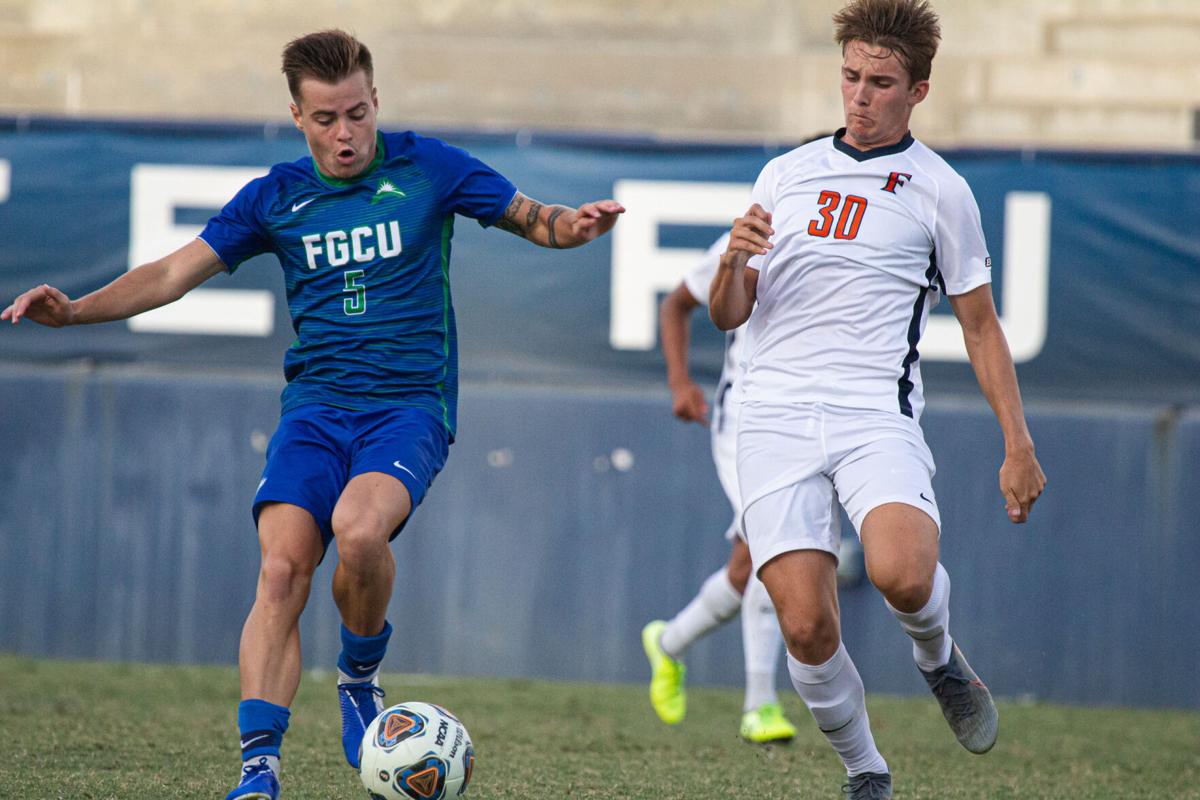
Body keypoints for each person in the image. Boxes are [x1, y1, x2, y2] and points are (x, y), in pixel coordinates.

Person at [2, 30, 623, 800]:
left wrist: (577, 228)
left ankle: (359, 677)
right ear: (297, 115)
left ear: (375, 102)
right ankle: (258, 770)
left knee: (361, 532)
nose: (346, 133)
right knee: (282, 567)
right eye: (326, 118)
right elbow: (172, 271)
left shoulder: (430, 166)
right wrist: (77, 313)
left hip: (407, 409)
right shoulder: (277, 196)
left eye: (357, 113)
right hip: (316, 412)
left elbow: (537, 218)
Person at [708, 1, 1046, 797]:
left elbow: (980, 326)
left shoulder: (940, 190)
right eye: (851, 77)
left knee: (901, 573)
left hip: (873, 415)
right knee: (803, 623)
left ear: (918, 92)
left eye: (881, 83)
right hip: (774, 416)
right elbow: (731, 312)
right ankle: (867, 771)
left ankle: (938, 660)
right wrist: (732, 262)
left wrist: (1018, 442)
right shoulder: (785, 175)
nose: (860, 97)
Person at [641, 233, 799, 745]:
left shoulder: (854, 241)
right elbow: (676, 305)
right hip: (744, 424)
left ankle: (669, 643)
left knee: (744, 565)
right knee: (768, 547)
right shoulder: (750, 241)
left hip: (807, 427)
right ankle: (760, 705)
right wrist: (680, 382)